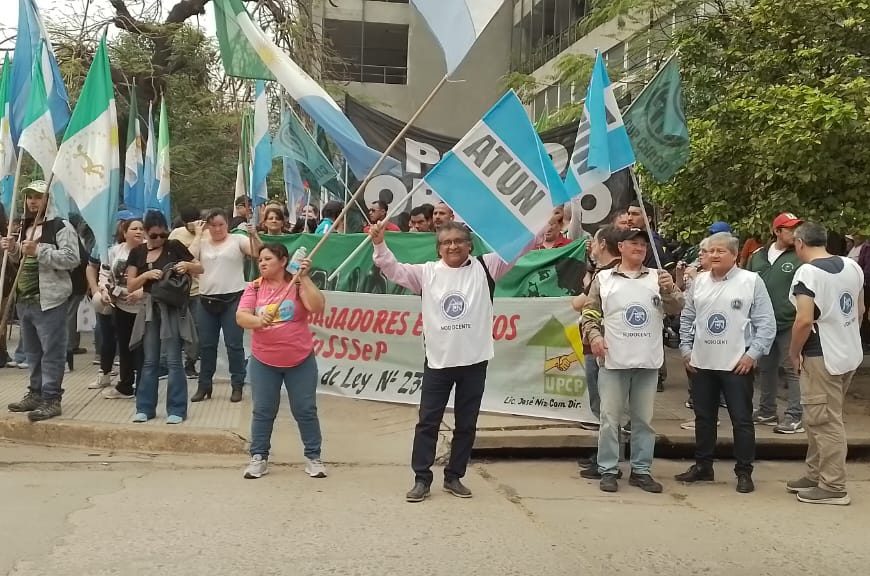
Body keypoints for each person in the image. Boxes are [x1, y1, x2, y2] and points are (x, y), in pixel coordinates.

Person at [370, 220, 538, 502]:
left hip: (474, 360)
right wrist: (379, 243)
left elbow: (521, 246)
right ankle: (421, 479)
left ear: (469, 245)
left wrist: (545, 219)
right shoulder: (426, 273)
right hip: (439, 361)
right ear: (438, 249)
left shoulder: (487, 267)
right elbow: (393, 268)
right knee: (428, 422)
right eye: (446, 242)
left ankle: (454, 476)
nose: (453, 246)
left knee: (466, 423)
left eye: (459, 241)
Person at [580, 228, 683, 493]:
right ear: (621, 247)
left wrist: (670, 289)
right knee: (609, 419)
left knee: (643, 420)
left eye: (643, 245)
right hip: (613, 360)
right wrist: (595, 337)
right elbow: (589, 313)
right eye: (633, 243)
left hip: (647, 361)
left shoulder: (658, 277)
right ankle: (608, 469)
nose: (639, 248)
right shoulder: (604, 279)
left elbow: (677, 308)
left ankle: (641, 470)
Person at [675, 232, 776, 494]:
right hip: (702, 363)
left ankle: (744, 471)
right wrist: (686, 350)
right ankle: (703, 466)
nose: (714, 255)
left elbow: (766, 322)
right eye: (710, 251)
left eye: (720, 251)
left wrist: (752, 354)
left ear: (734, 254)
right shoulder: (698, 282)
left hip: (736, 364)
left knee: (741, 420)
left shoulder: (751, 281)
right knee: (704, 418)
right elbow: (687, 318)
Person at [786, 222, 864, 506]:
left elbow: (804, 319)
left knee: (825, 421)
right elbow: (859, 309)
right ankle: (815, 474)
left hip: (822, 355)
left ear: (799, 243)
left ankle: (833, 485)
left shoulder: (807, 273)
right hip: (849, 351)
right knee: (818, 417)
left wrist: (794, 352)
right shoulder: (851, 266)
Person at [236, 243, 328, 479]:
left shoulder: (296, 283)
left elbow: (317, 306)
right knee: (263, 410)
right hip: (263, 360)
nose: (262, 263)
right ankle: (259, 457)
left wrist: (304, 277)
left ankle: (313, 457)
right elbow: (241, 316)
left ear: (284, 261)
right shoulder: (255, 287)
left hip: (300, 359)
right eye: (260, 260)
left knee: (305, 409)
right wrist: (258, 321)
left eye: (268, 259)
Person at [4, 180, 81, 421]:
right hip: (24, 299)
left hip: (50, 300)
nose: (33, 201)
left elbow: (72, 258)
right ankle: (35, 393)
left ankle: (51, 398)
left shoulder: (61, 226)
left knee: (52, 352)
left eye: (38, 196)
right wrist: (13, 249)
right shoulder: (25, 227)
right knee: (32, 352)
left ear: (48, 199)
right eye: (29, 197)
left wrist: (38, 251)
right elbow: (19, 261)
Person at [126, 211, 202, 424]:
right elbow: (130, 285)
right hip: (150, 308)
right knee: (150, 360)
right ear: (146, 233)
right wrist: (146, 275)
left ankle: (177, 408)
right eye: (154, 235)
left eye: (163, 235)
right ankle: (145, 407)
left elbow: (200, 267)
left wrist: (187, 266)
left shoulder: (174, 246)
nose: (159, 239)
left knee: (174, 360)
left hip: (172, 308)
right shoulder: (138, 252)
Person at [189, 209, 261, 403]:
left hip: (233, 299)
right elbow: (188, 258)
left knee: (234, 344)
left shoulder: (238, 240)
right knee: (206, 345)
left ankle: (237, 385)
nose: (217, 229)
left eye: (221, 224)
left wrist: (254, 235)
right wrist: (198, 235)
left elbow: (258, 252)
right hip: (206, 299)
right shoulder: (202, 243)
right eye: (213, 225)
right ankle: (204, 385)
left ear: (227, 224)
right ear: (207, 226)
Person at [746, 212, 804, 433]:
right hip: (763, 323)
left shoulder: (799, 256)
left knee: (792, 367)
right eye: (790, 228)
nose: (795, 233)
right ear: (777, 231)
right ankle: (767, 410)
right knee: (766, 368)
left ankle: (795, 414)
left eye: (797, 228)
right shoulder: (758, 256)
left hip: (790, 321)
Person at [571, 225, 621, 469]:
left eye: (594, 240)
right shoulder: (603, 271)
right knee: (604, 405)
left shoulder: (609, 274)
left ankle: (609, 457)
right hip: (597, 344)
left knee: (605, 405)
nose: (590, 245)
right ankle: (605, 453)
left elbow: (578, 303)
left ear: (602, 244)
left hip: (602, 345)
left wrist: (587, 284)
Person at [97, 218, 146, 400]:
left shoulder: (150, 251)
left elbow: (159, 276)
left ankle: (144, 387)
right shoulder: (114, 251)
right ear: (124, 233)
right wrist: (105, 291)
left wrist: (141, 292)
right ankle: (125, 386)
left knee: (143, 349)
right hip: (121, 306)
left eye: (141, 228)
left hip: (144, 308)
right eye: (134, 228)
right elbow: (104, 274)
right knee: (124, 347)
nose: (138, 232)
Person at [169, 207, 205, 378]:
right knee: (177, 328)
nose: (194, 225)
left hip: (199, 290)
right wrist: (197, 236)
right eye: (189, 223)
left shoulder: (207, 233)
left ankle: (190, 362)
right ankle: (173, 362)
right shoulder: (176, 235)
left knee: (196, 329)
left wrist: (201, 233)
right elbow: (188, 256)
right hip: (179, 290)